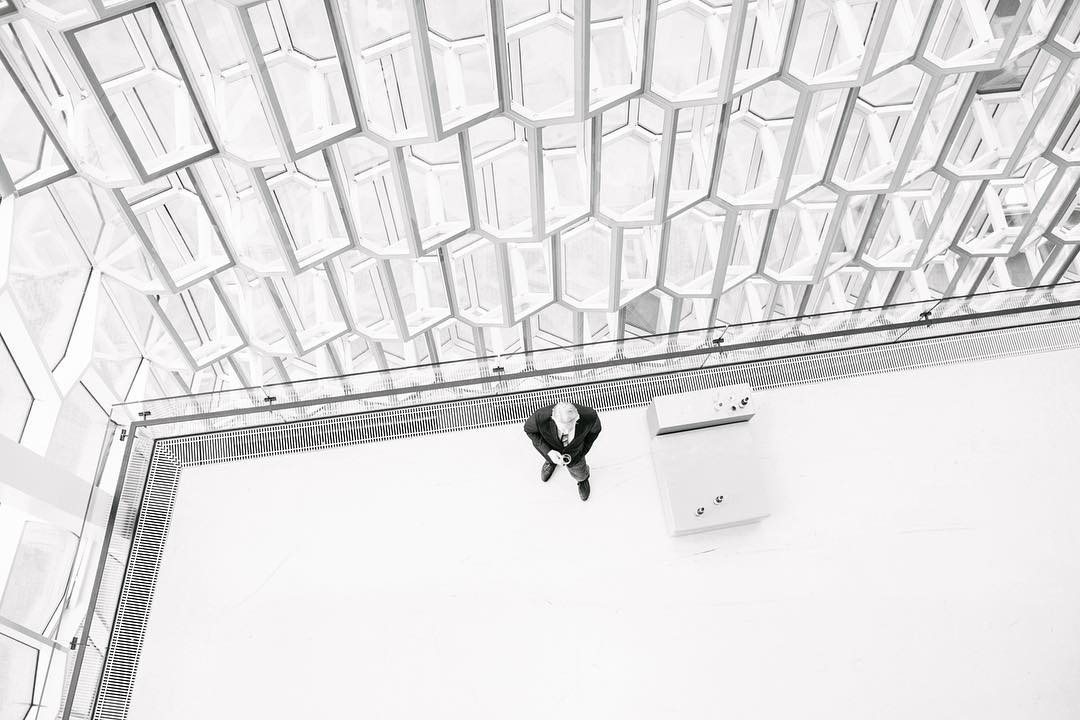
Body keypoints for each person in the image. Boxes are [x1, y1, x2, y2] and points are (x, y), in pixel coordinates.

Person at [523, 401, 602, 501]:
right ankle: (551, 462)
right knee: (551, 458)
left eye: (570, 428)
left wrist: (582, 452)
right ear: (553, 419)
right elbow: (529, 430)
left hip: (576, 453)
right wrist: (549, 452)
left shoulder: (590, 416)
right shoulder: (540, 416)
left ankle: (582, 479)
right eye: (562, 428)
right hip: (551, 448)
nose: (566, 432)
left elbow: (595, 431)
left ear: (577, 417)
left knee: (580, 471)